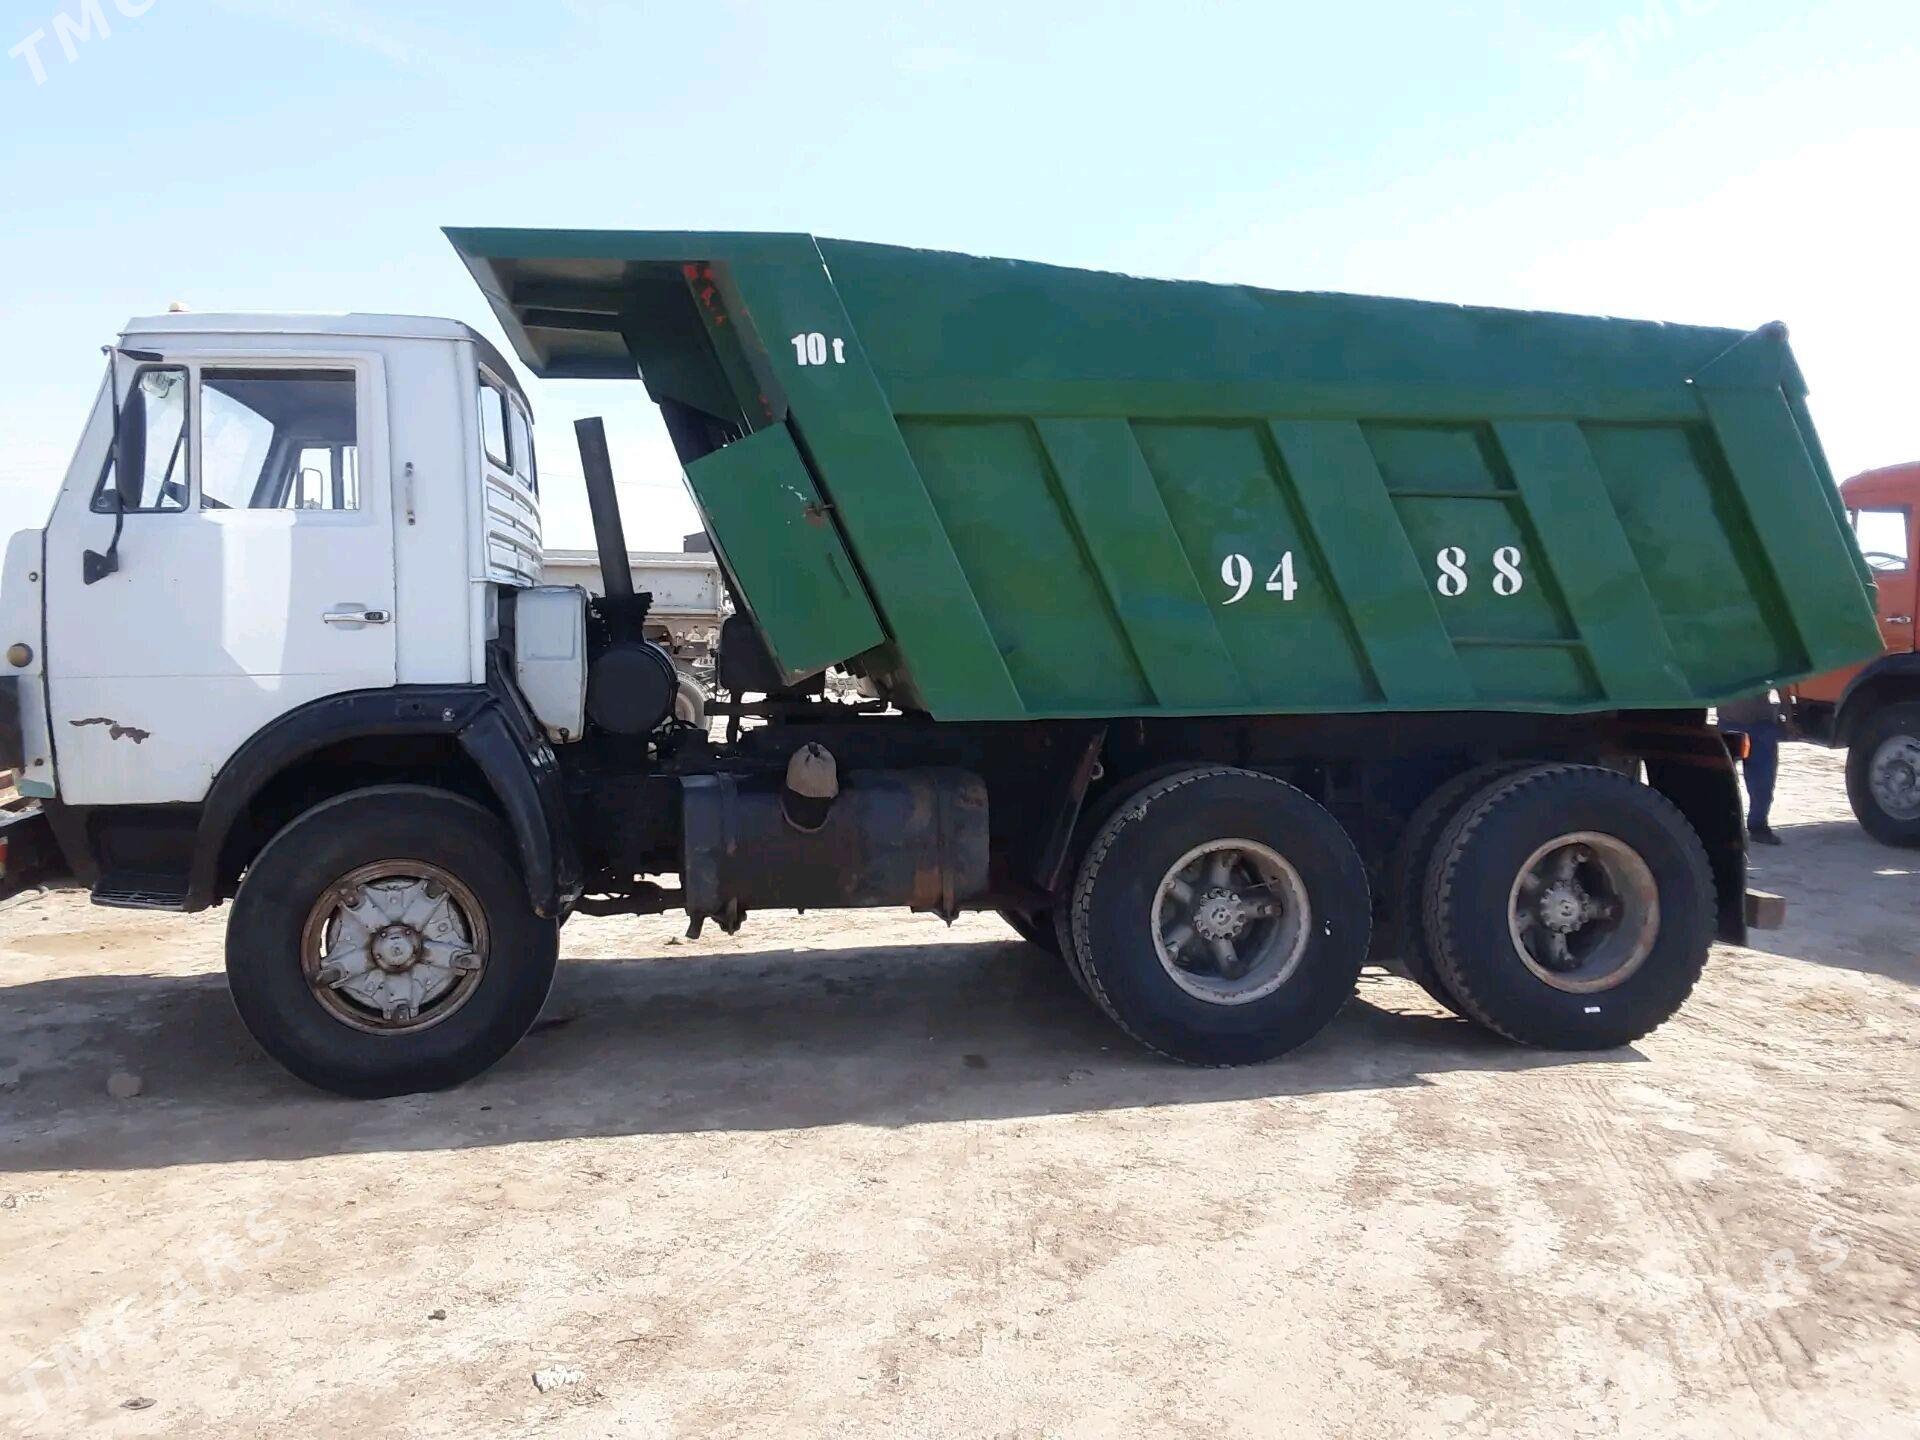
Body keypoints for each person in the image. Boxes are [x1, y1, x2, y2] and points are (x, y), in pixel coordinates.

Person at [1719, 688, 1786, 845]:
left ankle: (1758, 826)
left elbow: (1782, 686)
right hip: (1730, 724)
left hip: (1761, 725)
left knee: (1763, 782)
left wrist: (1787, 719)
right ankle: (1726, 827)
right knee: (1723, 781)